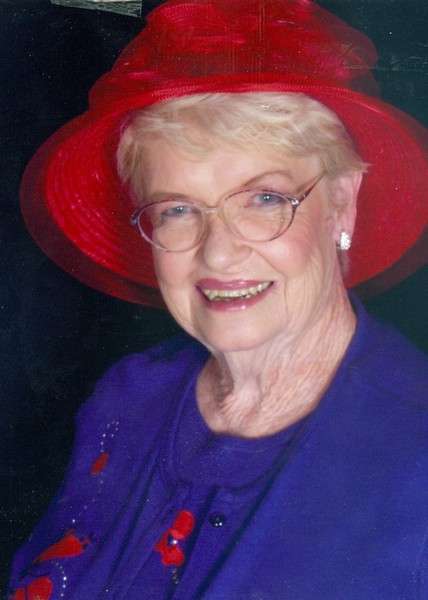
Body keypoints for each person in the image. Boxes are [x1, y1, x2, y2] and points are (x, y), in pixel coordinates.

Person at [9, 0, 428, 598]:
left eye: (264, 199)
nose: (219, 254)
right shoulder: (126, 397)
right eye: (178, 209)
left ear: (342, 202)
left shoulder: (415, 451)